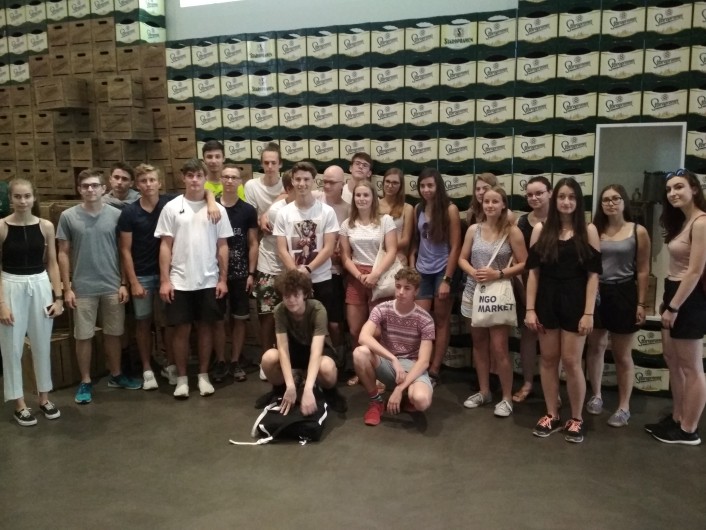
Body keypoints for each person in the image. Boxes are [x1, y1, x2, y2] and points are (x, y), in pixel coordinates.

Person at [118, 164, 221, 390]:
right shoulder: (132, 212)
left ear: (160, 182)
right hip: (147, 273)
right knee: (144, 321)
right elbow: (126, 249)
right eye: (143, 181)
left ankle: (173, 367)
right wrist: (131, 281)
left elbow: (201, 190)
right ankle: (148, 369)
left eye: (152, 180)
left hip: (177, 274)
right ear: (137, 185)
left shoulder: (170, 202)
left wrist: (212, 200)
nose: (148, 184)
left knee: (171, 324)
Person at [525, 177, 601, 443]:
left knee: (571, 362)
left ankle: (577, 418)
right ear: (554, 199)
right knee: (548, 360)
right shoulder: (541, 229)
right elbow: (533, 273)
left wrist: (588, 313)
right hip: (546, 301)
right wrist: (530, 309)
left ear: (578, 201)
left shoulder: (589, 230)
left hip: (575, 303)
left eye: (572, 197)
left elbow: (593, 275)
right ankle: (552, 414)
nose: (566, 202)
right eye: (561, 197)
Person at [57, 169, 142, 405]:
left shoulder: (116, 215)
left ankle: (116, 374)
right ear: (79, 189)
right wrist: (67, 288)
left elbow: (123, 251)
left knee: (114, 333)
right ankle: (85, 381)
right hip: (83, 287)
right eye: (85, 186)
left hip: (112, 285)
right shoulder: (68, 216)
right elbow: (62, 253)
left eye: (95, 185)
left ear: (104, 189)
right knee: (83, 336)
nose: (90, 189)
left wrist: (124, 283)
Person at [155, 159, 233, 399]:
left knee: (206, 328)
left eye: (199, 175)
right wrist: (165, 280)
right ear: (183, 178)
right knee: (181, 330)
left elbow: (223, 246)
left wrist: (223, 279)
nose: (195, 180)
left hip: (208, 280)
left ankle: (203, 375)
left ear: (205, 178)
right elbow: (165, 245)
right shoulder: (171, 208)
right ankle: (181, 379)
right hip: (180, 280)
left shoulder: (218, 210)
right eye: (190, 175)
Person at [646, 169, 706, 445]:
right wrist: (668, 301)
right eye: (669, 189)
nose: (673, 193)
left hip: (689, 299)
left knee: (691, 367)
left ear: (694, 189)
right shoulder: (683, 221)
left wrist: (674, 307)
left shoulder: (701, 222)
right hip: (675, 292)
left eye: (679, 187)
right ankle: (678, 416)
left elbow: (694, 272)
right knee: (673, 360)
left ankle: (688, 430)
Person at [458, 186, 527, 417]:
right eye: (486, 201)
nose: (490, 205)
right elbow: (461, 258)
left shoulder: (512, 232)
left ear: (503, 204)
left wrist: (498, 274)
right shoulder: (473, 230)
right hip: (473, 292)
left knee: (499, 348)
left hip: (498, 294)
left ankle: (506, 397)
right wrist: (473, 272)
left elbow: (524, 263)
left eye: (495, 201)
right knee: (479, 345)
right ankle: (484, 391)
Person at [585, 184, 650, 427]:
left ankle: (624, 407)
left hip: (624, 292)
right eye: (606, 200)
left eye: (616, 198)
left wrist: (641, 303)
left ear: (624, 202)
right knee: (596, 346)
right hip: (597, 291)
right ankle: (596, 395)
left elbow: (643, 270)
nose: (611, 203)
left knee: (622, 355)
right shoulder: (594, 229)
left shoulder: (638, 231)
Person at [0, 179, 64, 426]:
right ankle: (19, 403)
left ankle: (44, 398)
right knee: (12, 348)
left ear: (34, 197)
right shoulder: (2, 227)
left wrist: (58, 297)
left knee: (41, 345)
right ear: (10, 198)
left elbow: (53, 263)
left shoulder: (46, 226)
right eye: (17, 196)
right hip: (10, 284)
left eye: (27, 196)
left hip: (39, 284)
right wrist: (2, 304)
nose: (23, 201)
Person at [353, 267, 435, 426]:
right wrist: (392, 359)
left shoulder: (425, 319)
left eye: (407, 288)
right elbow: (363, 336)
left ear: (416, 291)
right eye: (398, 286)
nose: (401, 292)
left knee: (421, 401)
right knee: (359, 353)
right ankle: (376, 401)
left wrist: (399, 389)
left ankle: (406, 393)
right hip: (389, 364)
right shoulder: (382, 308)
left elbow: (424, 361)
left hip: (411, 366)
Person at [259, 269, 346, 414]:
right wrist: (290, 386)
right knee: (268, 358)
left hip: (314, 350)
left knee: (327, 367)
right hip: (294, 350)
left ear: (305, 294)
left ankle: (330, 393)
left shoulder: (317, 309)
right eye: (287, 296)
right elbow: (283, 349)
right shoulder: (280, 310)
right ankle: (279, 391)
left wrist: (308, 389)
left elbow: (316, 351)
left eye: (296, 295)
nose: (291, 300)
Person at [409, 167, 461, 385]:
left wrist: (447, 279)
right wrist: (412, 267)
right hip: (422, 270)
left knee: (441, 320)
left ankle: (435, 369)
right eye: (422, 186)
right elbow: (415, 242)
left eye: (430, 185)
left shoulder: (450, 209)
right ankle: (421, 364)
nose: (426, 189)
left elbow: (456, 246)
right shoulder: (418, 208)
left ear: (438, 186)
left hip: (442, 270)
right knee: (421, 320)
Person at [274, 161, 340, 328]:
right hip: (294, 279)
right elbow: (282, 249)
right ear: (292, 181)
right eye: (297, 179)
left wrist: (309, 269)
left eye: (306, 179)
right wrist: (297, 274)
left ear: (313, 181)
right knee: (298, 326)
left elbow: (329, 248)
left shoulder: (327, 212)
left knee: (324, 325)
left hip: (321, 277)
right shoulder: (283, 213)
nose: (301, 183)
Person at [210, 164, 259, 383]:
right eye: (226, 177)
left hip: (240, 274)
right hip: (214, 274)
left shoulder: (248, 210)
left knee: (240, 319)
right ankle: (221, 361)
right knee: (218, 320)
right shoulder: (211, 207)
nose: (230, 181)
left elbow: (253, 243)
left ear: (240, 182)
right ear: (220, 179)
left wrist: (251, 273)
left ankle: (235, 360)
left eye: (234, 177)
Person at [339, 180, 397, 344]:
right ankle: (359, 359)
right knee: (355, 329)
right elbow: (345, 257)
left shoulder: (386, 220)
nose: (361, 199)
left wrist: (375, 274)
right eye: (358, 195)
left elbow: (392, 251)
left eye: (366, 195)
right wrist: (359, 275)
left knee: (379, 330)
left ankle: (378, 360)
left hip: (380, 275)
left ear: (373, 198)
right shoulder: (347, 224)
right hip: (356, 276)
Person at [513, 176, 553, 403]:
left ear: (550, 193)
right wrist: (523, 291)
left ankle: (553, 389)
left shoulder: (561, 220)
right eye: (529, 194)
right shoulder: (521, 222)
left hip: (554, 286)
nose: (534, 198)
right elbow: (518, 260)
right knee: (528, 336)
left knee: (552, 339)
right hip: (527, 285)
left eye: (539, 193)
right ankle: (528, 383)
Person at [253, 172, 294, 359]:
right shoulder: (278, 210)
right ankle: (266, 358)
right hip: (270, 267)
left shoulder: (308, 205)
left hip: (291, 269)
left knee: (292, 315)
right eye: (295, 184)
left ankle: (289, 358)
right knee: (268, 316)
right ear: (288, 189)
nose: (302, 187)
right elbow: (282, 247)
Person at [318, 165, 350, 364]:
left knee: (335, 323)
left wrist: (343, 250)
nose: (327, 186)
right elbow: (285, 196)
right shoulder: (314, 197)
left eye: (332, 182)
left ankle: (340, 360)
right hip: (312, 271)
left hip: (334, 271)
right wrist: (265, 214)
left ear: (342, 184)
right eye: (324, 181)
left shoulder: (348, 208)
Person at [244, 141, 284, 235]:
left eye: (273, 163)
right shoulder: (251, 185)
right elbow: (251, 218)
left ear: (280, 164)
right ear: (261, 164)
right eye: (266, 163)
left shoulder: (287, 184)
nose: (270, 166)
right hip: (261, 234)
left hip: (283, 233)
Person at [379, 167, 414, 266]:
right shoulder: (374, 204)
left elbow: (406, 240)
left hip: (397, 257)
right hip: (375, 255)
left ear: (400, 186)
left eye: (395, 183)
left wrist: (388, 249)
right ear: (383, 182)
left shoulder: (407, 208)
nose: (390, 185)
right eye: (387, 181)